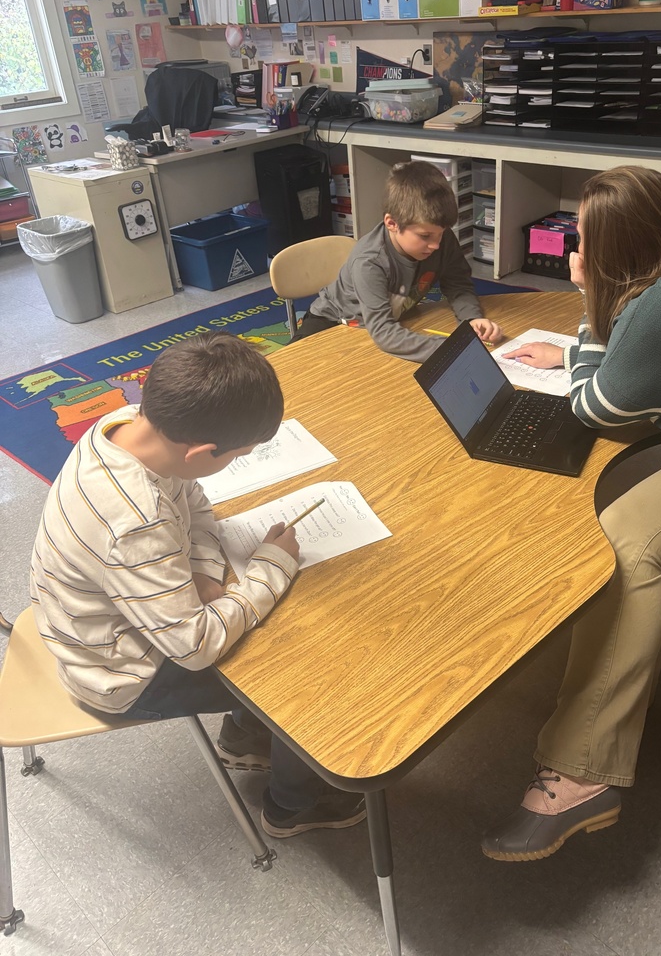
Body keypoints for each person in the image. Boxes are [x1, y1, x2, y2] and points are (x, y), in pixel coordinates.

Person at [481, 165, 661, 861]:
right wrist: (587, 346)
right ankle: (592, 736)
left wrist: (585, 309)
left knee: (652, 594)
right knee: (614, 551)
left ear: (610, 250)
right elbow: (630, 369)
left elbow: (596, 410)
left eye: (580, 241)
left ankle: (580, 774)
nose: (571, 250)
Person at [30, 332, 365, 839]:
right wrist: (270, 569)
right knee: (302, 654)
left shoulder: (123, 428)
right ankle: (293, 806)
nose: (234, 463)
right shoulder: (135, 522)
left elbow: (194, 499)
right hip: (117, 673)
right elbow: (194, 647)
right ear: (204, 449)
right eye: (237, 455)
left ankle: (245, 733)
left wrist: (207, 575)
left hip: (103, 621)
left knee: (246, 606)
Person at [293, 160, 503, 362]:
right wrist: (449, 350)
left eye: (441, 233)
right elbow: (383, 332)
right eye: (425, 236)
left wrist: (471, 320)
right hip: (332, 323)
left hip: (385, 323)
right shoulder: (370, 262)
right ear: (392, 223)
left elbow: (458, 284)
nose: (436, 245)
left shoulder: (439, 237)